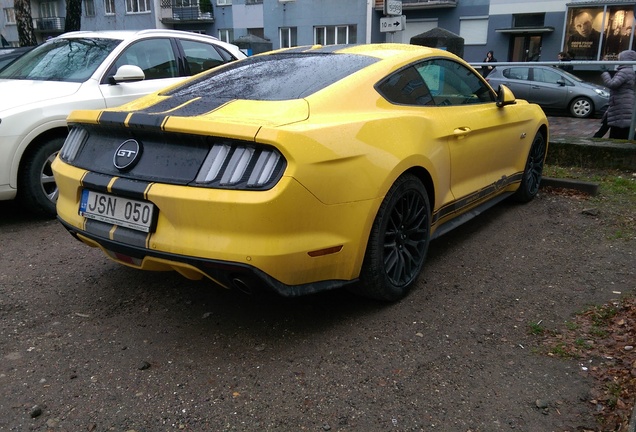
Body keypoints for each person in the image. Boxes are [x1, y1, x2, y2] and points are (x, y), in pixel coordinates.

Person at [600, 49, 636, 139]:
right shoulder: (629, 70)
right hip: (623, 102)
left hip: (621, 103)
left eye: (620, 58)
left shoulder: (625, 71)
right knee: (619, 128)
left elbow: (612, 84)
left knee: (618, 130)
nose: (618, 60)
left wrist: (604, 73)